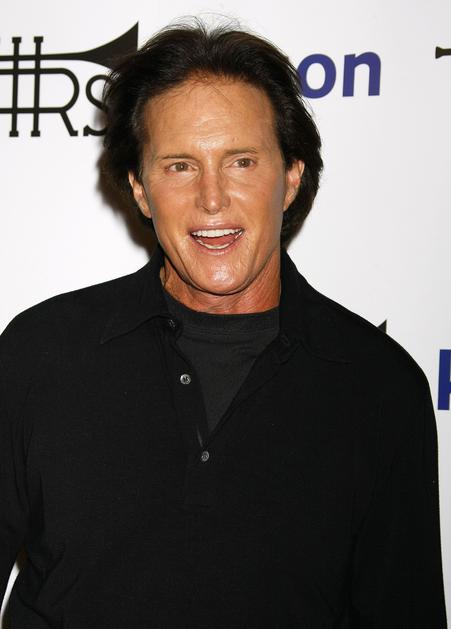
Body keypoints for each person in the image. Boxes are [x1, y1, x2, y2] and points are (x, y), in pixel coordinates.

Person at [0, 18, 447, 628]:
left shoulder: (381, 387)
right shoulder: (40, 353)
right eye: (179, 166)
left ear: (291, 178)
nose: (212, 199)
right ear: (140, 188)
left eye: (241, 161)